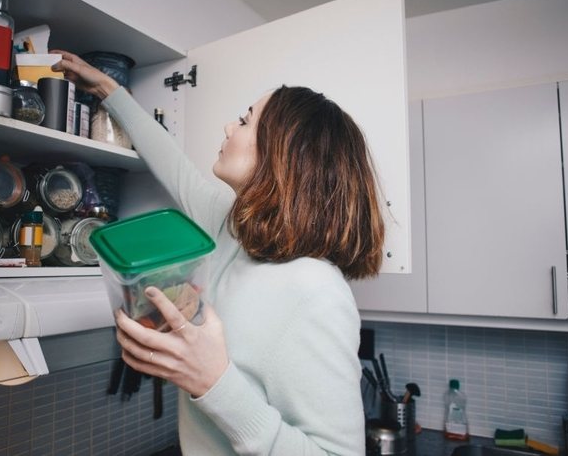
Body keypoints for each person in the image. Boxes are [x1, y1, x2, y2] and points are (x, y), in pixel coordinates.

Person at [52, 50, 385, 455]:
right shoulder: (232, 229)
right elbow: (173, 164)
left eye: (245, 120)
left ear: (284, 155)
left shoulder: (316, 290)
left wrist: (213, 382)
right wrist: (109, 90)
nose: (229, 126)